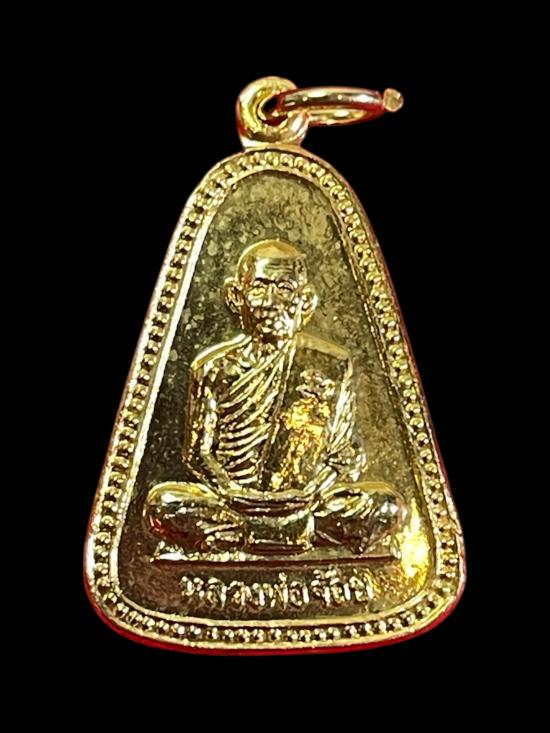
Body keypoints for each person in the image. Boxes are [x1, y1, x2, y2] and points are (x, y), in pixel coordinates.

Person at [145, 240, 405, 557]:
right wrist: (231, 491)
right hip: (234, 504)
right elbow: (198, 454)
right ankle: (286, 533)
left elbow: (344, 453)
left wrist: (311, 491)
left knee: (386, 506)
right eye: (259, 288)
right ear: (236, 296)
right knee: (164, 505)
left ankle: (251, 534)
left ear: (305, 301)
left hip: (305, 502)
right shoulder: (214, 368)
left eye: (285, 289)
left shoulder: (330, 364)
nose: (271, 302)